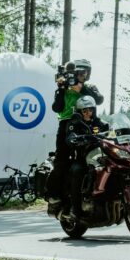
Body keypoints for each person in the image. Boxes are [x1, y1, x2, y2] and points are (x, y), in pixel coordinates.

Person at [47, 59, 104, 209]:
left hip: (89, 124)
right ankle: (54, 194)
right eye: (80, 71)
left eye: (86, 71)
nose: (83, 74)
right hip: (66, 124)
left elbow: (99, 100)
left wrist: (82, 88)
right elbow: (57, 108)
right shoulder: (64, 86)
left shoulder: (89, 86)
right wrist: (61, 88)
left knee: (98, 155)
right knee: (61, 159)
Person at [64, 95, 109, 220]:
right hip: (83, 159)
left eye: (90, 109)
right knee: (77, 171)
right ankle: (76, 209)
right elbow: (69, 138)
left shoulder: (100, 123)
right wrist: (74, 139)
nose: (88, 112)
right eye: (84, 110)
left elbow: (111, 133)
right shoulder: (75, 124)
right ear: (80, 112)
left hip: (101, 156)